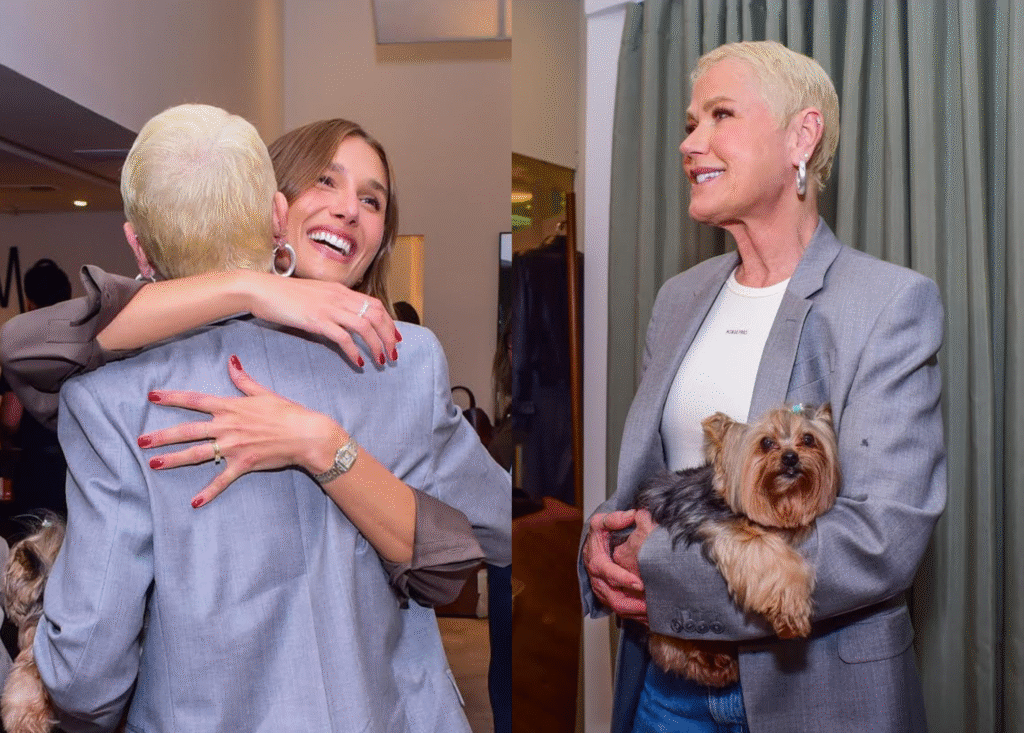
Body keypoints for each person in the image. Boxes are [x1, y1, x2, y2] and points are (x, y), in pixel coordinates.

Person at [24, 104, 507, 733]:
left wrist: (327, 449)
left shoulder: (113, 394)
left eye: (372, 200)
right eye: (326, 181)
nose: (348, 209)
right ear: (273, 210)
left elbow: (87, 676)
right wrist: (252, 287)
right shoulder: (405, 361)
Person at [580, 41, 946, 733]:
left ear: (801, 137)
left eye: (720, 115)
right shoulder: (679, 298)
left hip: (817, 695)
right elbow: (660, 482)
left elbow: (884, 537)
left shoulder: (888, 302)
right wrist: (604, 542)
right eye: (690, 123)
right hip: (667, 687)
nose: (691, 143)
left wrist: (658, 568)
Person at [0, 258, 72, 541]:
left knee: (33, 549)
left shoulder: (20, 347)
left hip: (36, 466)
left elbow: (11, 419)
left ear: (30, 302)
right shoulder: (84, 344)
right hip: (77, 466)